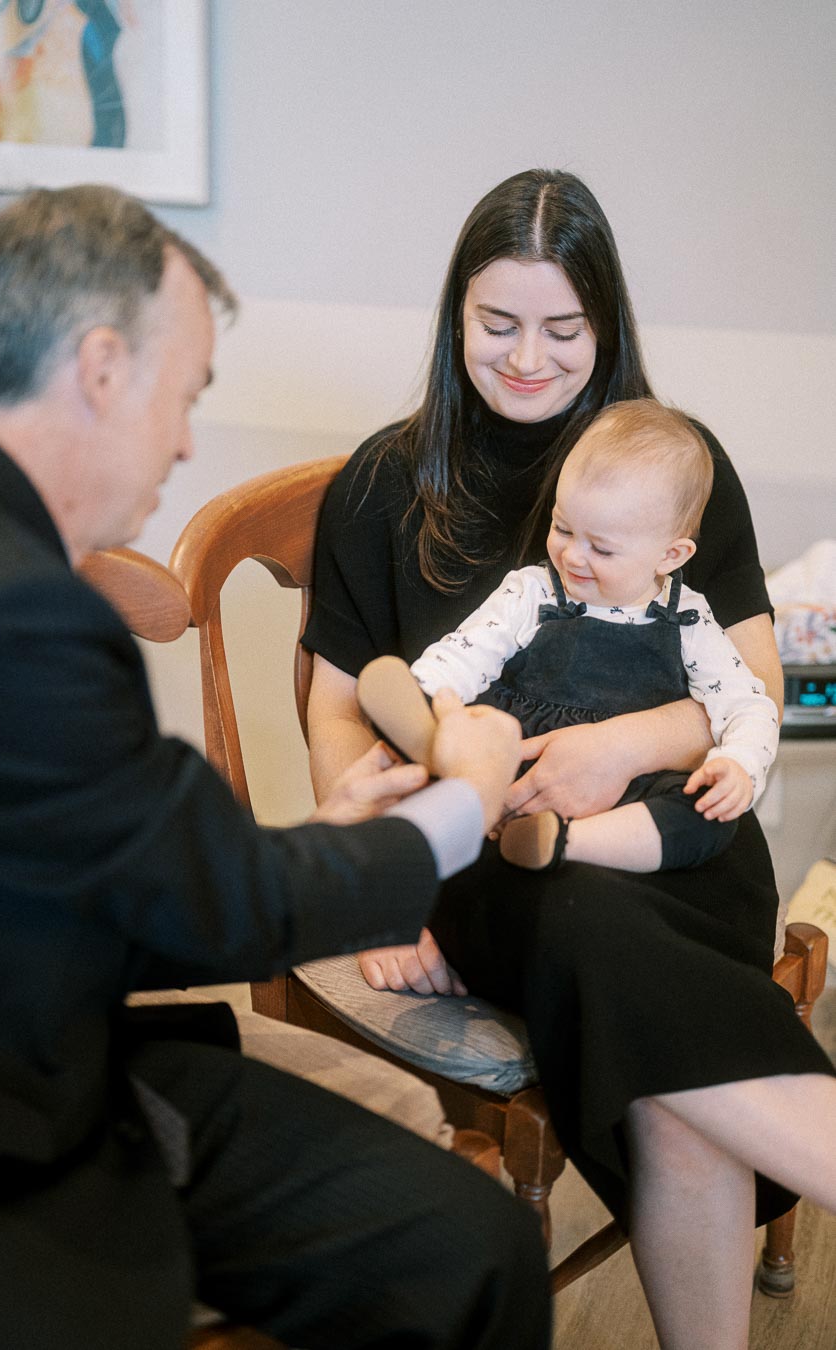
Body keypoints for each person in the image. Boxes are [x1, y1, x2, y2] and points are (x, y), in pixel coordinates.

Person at [0, 185, 551, 1350]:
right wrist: (461, 806)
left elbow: (129, 870)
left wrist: (329, 840)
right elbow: (205, 900)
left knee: (470, 1245)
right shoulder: (12, 612)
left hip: (38, 1015)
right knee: (465, 1256)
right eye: (188, 394)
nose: (181, 438)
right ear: (104, 368)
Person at [302, 169, 836, 1350]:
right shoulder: (384, 487)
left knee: (643, 1011)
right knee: (593, 936)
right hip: (503, 855)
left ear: (607, 324)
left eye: (563, 329)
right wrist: (381, 879)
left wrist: (620, 746)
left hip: (681, 846)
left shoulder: (669, 462)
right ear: (455, 317)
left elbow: (749, 687)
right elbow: (341, 719)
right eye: (498, 325)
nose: (528, 358)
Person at [389, 398, 780, 874]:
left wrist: (739, 764)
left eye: (601, 548)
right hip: (522, 764)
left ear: (670, 555)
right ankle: (477, 820)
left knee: (709, 817)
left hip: (629, 788)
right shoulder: (533, 591)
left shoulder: (689, 619)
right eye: (563, 527)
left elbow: (747, 704)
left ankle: (564, 843)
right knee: (465, 761)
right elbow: (467, 652)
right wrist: (431, 698)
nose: (572, 556)